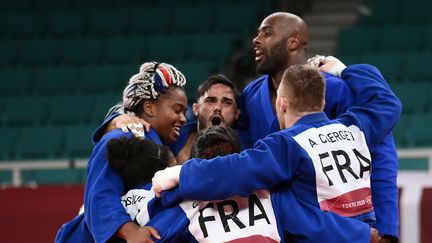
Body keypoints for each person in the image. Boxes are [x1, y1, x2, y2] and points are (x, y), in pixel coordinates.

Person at [152, 61, 401, 240]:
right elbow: (387, 102)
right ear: (323, 102)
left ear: (282, 104)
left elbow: (236, 171)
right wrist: (344, 69)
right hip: (368, 231)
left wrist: (181, 174)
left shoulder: (287, 144)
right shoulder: (355, 125)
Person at [234, 12, 400, 242]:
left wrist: (386, 227)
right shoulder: (251, 94)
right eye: (258, 32)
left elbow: (379, 156)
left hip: (335, 227)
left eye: (267, 32)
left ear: (293, 42)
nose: (256, 39)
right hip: (273, 227)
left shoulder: (334, 88)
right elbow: (244, 159)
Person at [109, 126, 380, 242]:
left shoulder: (179, 201)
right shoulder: (271, 196)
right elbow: (318, 226)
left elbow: (154, 234)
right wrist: (365, 236)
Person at [55, 61, 188, 242]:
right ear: (149, 108)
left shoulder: (166, 144)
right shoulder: (120, 137)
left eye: (184, 112)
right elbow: (99, 195)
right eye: (177, 110)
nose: (182, 118)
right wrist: (131, 232)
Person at [94, 74, 242, 164]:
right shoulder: (172, 135)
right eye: (211, 100)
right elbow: (122, 136)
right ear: (196, 109)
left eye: (227, 102)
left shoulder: (248, 144)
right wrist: (117, 119)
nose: (218, 107)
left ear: (237, 113)